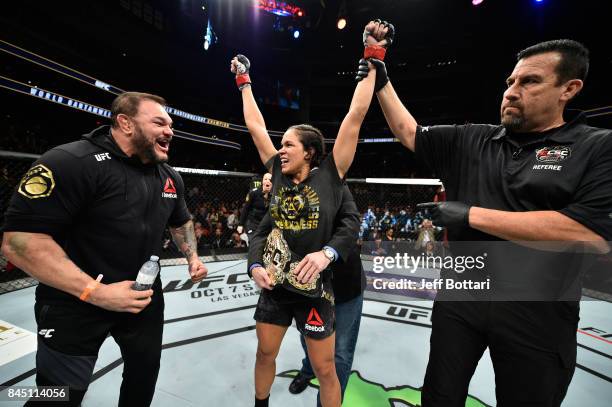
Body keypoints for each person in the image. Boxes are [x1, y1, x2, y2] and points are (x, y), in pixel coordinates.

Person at [360, 25, 611, 406]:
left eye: (530, 82)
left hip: (538, 312)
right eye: (510, 81)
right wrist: (380, 71)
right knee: (439, 398)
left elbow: (590, 234)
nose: (511, 91)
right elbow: (407, 131)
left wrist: (472, 215)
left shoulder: (596, 147)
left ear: (569, 89)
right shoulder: (474, 138)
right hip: (462, 298)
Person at [1, 92, 208, 407]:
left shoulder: (169, 177)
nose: (170, 131)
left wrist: (192, 257)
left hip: (143, 300)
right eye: (159, 122)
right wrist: (95, 292)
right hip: (72, 304)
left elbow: (181, 223)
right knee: (56, 396)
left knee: (142, 381)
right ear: (125, 123)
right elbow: (19, 241)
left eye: (171, 124)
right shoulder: (70, 161)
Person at [233, 20, 389, 407]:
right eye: (280, 144)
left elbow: (355, 115)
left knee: (326, 371)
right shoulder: (275, 172)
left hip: (318, 289)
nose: (280, 149)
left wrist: (373, 55)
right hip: (277, 285)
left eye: (288, 144)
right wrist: (244, 81)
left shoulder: (332, 175)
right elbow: (255, 125)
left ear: (309, 152)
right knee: (264, 354)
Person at [288, 186, 366, 406]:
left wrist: (327, 253)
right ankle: (308, 368)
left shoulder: (336, 188)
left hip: (345, 287)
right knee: (307, 336)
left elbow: (351, 225)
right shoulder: (290, 191)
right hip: (307, 287)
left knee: (340, 352)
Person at [240, 172, 272, 237]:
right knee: (254, 244)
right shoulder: (254, 193)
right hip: (253, 224)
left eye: (270, 180)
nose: (267, 181)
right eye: (265, 179)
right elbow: (245, 209)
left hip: (265, 225)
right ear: (262, 181)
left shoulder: (273, 194)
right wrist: (240, 224)